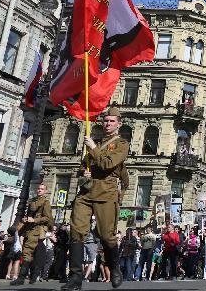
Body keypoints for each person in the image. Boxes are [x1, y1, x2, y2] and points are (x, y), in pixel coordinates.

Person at [63, 107, 129, 291]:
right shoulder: (95, 142)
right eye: (105, 121)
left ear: (118, 124)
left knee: (106, 235)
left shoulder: (121, 144)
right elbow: (83, 167)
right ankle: (75, 277)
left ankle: (114, 268)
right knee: (76, 231)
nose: (107, 124)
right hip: (86, 192)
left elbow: (107, 163)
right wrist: (83, 171)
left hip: (106, 193)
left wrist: (92, 147)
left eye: (111, 121)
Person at [11, 182, 53, 285]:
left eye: (42, 189)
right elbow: (28, 214)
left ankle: (22, 277)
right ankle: (33, 275)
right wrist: (26, 219)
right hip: (28, 230)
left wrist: (34, 220)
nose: (39, 190)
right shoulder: (32, 201)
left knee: (27, 252)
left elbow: (47, 218)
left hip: (36, 230)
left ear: (45, 191)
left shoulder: (45, 202)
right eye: (38, 188)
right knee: (29, 252)